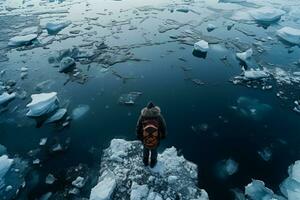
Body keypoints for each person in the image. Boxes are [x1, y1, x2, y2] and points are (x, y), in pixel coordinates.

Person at [136, 102, 167, 168]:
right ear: (154, 108)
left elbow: (138, 126)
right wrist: (164, 135)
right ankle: (153, 163)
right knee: (154, 150)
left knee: (146, 149)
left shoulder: (143, 116)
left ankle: (145, 162)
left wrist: (138, 135)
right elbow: (163, 126)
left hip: (145, 137)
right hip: (156, 137)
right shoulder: (158, 116)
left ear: (147, 108)